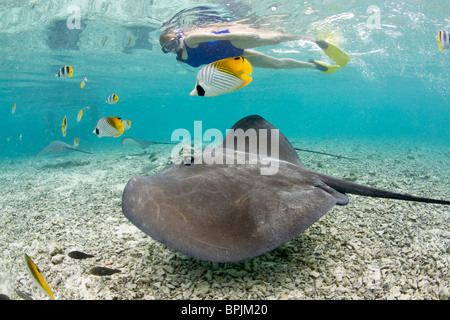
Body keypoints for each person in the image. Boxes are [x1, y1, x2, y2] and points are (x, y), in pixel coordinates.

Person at [159, 22, 350, 74]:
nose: (172, 48)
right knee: (277, 65)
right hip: (235, 56)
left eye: (172, 42)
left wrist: (246, 35)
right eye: (167, 48)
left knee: (273, 41)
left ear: (178, 36)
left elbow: (221, 35)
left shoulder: (191, 38)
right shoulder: (180, 59)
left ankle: (312, 38)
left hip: (233, 43)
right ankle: (313, 65)